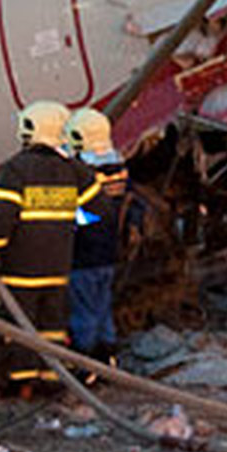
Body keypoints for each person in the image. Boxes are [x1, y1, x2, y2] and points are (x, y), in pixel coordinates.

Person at [0, 100, 96, 390]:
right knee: (52, 326)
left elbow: (1, 220)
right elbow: (99, 210)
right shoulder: (73, 170)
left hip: (21, 267)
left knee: (22, 326)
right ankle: (52, 377)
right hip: (58, 266)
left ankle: (23, 383)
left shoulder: (16, 170)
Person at [66, 108, 127, 361]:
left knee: (85, 313)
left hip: (84, 254)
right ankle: (109, 356)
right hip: (109, 252)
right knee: (103, 309)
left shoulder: (83, 170)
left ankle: (87, 363)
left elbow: (85, 214)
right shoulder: (119, 165)